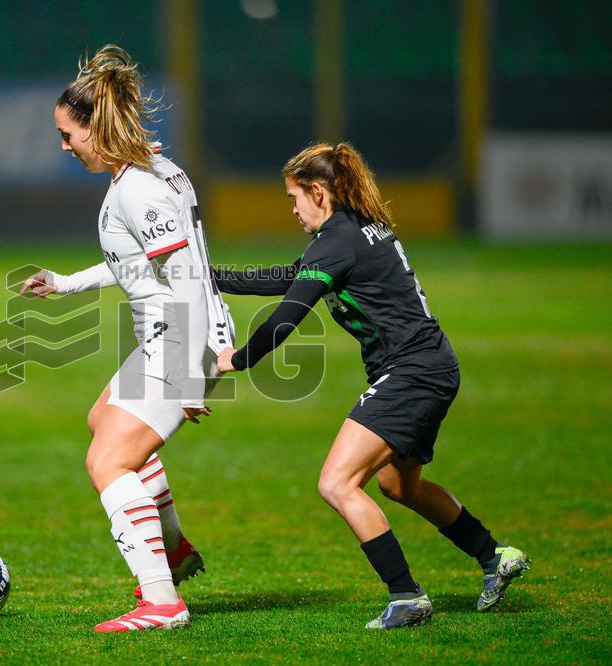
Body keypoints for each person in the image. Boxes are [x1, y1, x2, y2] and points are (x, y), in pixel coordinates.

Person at [213, 142, 530, 629]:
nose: (293, 209)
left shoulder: (336, 241)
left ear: (318, 192)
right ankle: (494, 555)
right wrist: (211, 278)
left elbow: (286, 318)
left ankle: (406, 596)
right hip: (432, 366)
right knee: (399, 484)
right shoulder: (356, 229)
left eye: (294, 197)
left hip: (411, 374)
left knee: (336, 483)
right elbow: (289, 278)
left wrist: (238, 358)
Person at [20, 45, 234, 632]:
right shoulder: (151, 170)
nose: (65, 146)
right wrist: (66, 284)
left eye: (68, 135)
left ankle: (163, 602)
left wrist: (190, 375)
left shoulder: (138, 188)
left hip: (181, 340)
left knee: (108, 461)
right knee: (102, 421)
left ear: (96, 127)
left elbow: (186, 278)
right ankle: (175, 549)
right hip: (171, 336)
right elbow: (138, 262)